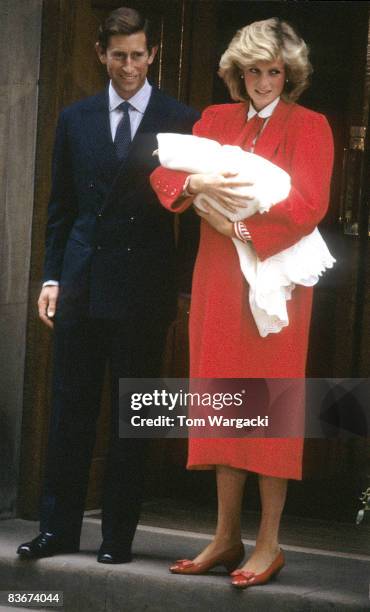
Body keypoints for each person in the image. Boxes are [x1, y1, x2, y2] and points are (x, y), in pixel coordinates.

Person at [150, 17, 334, 587]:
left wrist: (242, 232)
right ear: (238, 73)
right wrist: (194, 188)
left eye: (273, 71)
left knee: (271, 409)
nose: (263, 82)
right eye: (253, 70)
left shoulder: (311, 126)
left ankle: (269, 544)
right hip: (218, 283)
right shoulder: (214, 120)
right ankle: (227, 537)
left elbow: (310, 204)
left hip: (276, 282)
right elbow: (162, 173)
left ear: (290, 74)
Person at [17, 6, 199, 564]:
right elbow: (61, 207)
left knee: (135, 415)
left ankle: (118, 536)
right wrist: (51, 277)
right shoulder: (76, 118)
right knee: (69, 410)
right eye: (118, 55)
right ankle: (58, 530)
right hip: (81, 280)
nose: (128, 66)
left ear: (152, 55)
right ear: (101, 54)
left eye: (138, 55)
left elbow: (192, 217)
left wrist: (187, 290)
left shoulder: (180, 117)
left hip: (143, 286)